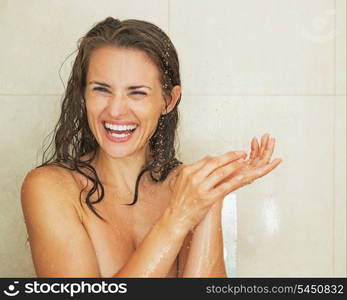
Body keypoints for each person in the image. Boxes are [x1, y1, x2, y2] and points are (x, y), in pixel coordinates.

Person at [20, 17, 282, 278]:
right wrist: (178, 217)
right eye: (101, 89)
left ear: (168, 100)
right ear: (83, 94)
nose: (115, 110)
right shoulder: (51, 188)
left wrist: (210, 198)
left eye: (137, 92)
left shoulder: (185, 188)